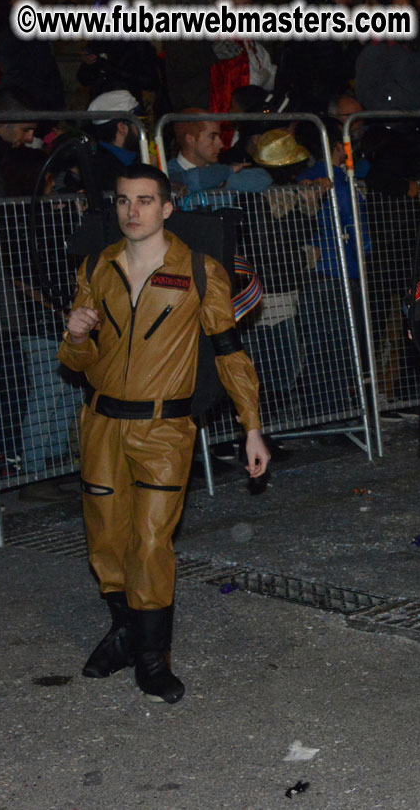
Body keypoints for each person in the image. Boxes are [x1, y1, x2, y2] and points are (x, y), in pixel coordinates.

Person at [58, 164, 269, 704]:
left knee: (151, 542)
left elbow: (229, 354)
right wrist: (77, 334)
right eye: (125, 200)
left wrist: (252, 427)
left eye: (146, 200)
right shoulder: (96, 267)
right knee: (106, 540)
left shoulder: (200, 271)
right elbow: (76, 360)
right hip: (101, 423)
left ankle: (153, 658)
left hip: (163, 428)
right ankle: (126, 631)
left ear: (167, 207)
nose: (134, 211)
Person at [167, 114, 272, 199]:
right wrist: (225, 173)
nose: (221, 144)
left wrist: (218, 179)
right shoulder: (167, 172)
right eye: (213, 137)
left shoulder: (219, 169)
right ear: (191, 139)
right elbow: (193, 179)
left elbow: (263, 179)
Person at [85, 90, 144, 194]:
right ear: (122, 128)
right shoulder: (102, 169)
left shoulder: (132, 159)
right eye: (138, 123)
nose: (144, 129)